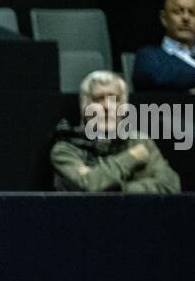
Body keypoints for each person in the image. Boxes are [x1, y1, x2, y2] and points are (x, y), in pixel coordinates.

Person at [50, 70, 181, 192]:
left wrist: (118, 188)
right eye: (98, 98)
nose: (107, 106)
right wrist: (131, 157)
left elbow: (170, 185)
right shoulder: (66, 149)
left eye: (115, 99)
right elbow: (89, 185)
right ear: (85, 106)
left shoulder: (139, 141)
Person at [132, 0, 195, 93]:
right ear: (164, 18)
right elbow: (154, 77)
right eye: (178, 12)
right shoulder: (149, 55)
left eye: (193, 13)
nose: (186, 18)